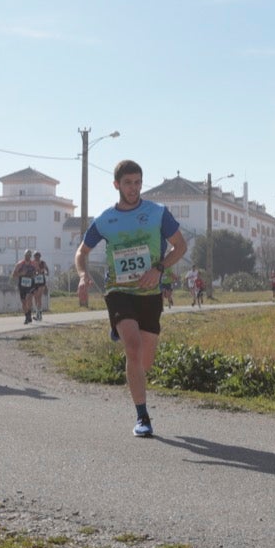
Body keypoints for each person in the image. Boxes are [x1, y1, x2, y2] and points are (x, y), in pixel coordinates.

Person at [75, 160, 186, 438]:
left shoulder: (158, 213)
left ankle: (124, 333)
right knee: (133, 348)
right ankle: (142, 416)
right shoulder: (104, 219)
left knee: (144, 362)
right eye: (128, 183)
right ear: (116, 185)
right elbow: (82, 252)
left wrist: (159, 268)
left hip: (149, 292)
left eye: (138, 182)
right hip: (119, 290)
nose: (133, 188)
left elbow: (180, 245)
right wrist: (81, 275)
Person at [13, 251, 37, 323]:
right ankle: (27, 316)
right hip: (22, 285)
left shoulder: (33, 264)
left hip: (31, 284)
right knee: (23, 302)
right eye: (27, 255)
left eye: (29, 255)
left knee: (29, 299)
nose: (28, 257)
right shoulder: (20, 264)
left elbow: (37, 272)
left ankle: (28, 315)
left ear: (31, 256)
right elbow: (14, 275)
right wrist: (21, 273)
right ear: (24, 255)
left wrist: (34, 274)